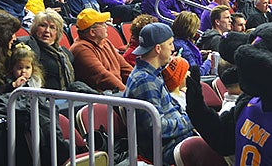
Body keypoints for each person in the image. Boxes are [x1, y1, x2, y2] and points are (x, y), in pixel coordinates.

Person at [124, 22, 195, 163]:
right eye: (170, 44)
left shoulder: (153, 74)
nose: (173, 49)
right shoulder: (144, 81)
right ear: (158, 48)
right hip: (166, 149)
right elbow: (158, 128)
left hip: (177, 140)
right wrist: (191, 121)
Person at [70, 9, 133, 92]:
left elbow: (124, 67)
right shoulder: (81, 49)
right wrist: (127, 95)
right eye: (103, 24)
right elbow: (103, 77)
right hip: (101, 98)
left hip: (117, 93)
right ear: (92, 32)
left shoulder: (105, 42)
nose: (106, 26)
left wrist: (138, 83)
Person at [19, 11, 76, 91]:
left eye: (52, 27)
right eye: (42, 26)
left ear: (58, 32)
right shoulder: (30, 48)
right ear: (35, 28)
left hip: (67, 96)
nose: (47, 30)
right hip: (44, 99)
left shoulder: (65, 53)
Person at [172, 11, 211, 75]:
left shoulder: (178, 40)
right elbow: (198, 73)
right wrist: (209, 61)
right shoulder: (183, 48)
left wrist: (200, 54)